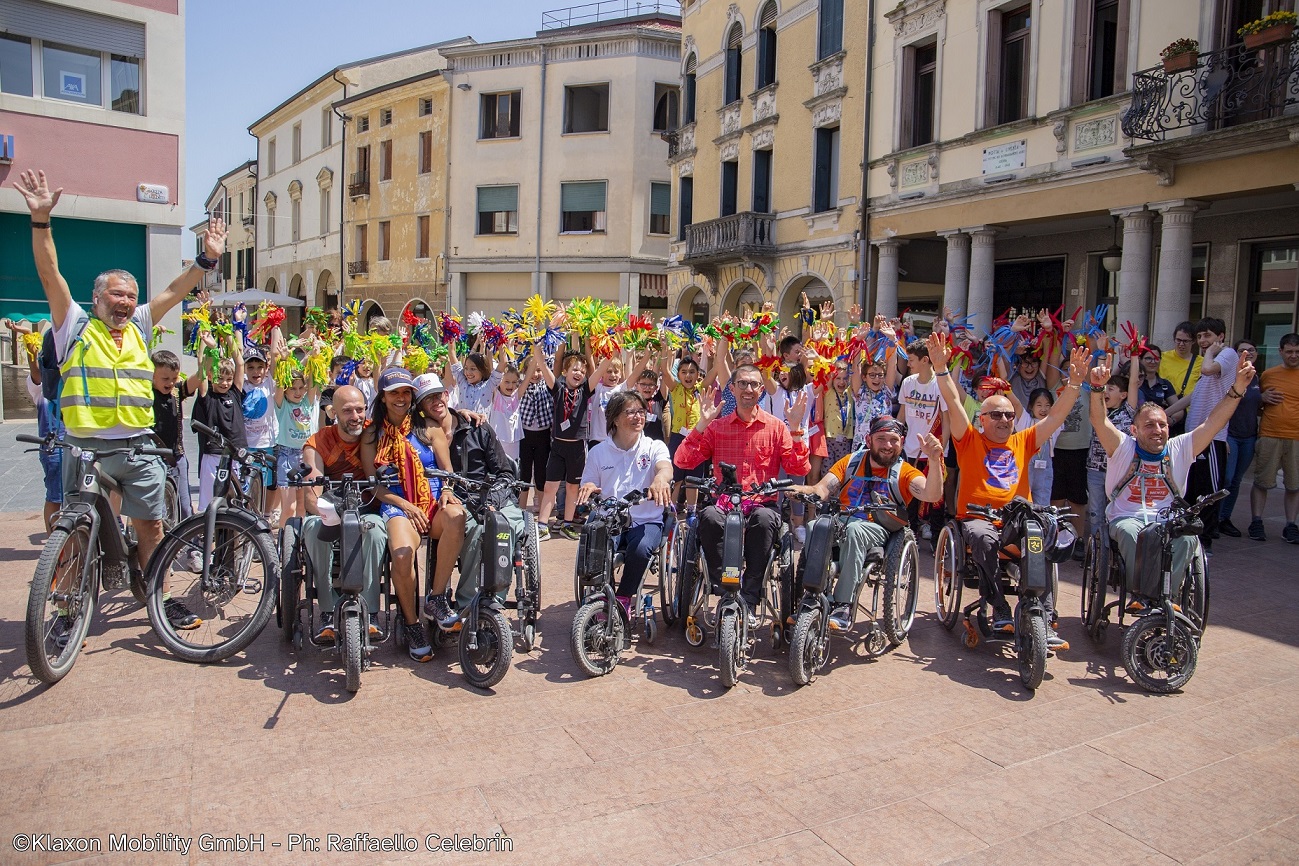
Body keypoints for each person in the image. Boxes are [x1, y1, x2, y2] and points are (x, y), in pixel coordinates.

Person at [13, 169, 224, 631]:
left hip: (137, 446)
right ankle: (67, 610)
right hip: (86, 447)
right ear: (97, 298)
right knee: (75, 530)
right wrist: (41, 221)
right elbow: (49, 274)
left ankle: (159, 598)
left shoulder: (140, 326)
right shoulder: (74, 325)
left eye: (131, 295)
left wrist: (205, 260)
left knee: (152, 526)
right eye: (117, 294)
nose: (126, 301)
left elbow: (175, 291)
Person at [928, 333, 1089, 648]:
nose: (1004, 419)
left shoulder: (1024, 440)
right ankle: (999, 606)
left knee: (1041, 534)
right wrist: (941, 369)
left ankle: (1043, 617)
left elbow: (1056, 416)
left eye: (1009, 415)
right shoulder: (969, 439)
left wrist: (1075, 383)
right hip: (977, 518)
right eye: (996, 415)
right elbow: (954, 403)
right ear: (982, 419)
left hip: (1016, 519)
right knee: (983, 537)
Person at [1088, 352, 1255, 609]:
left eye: (1162, 425)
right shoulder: (1121, 447)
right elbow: (1099, 420)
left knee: (1188, 539)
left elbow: (1214, 422)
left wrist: (1238, 388)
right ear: (1134, 430)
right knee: (1132, 534)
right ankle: (1142, 596)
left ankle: (1166, 596)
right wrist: (1098, 388)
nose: (1158, 430)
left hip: (1168, 519)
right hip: (1126, 518)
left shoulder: (1181, 447)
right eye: (1149, 426)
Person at [672, 364, 810, 623]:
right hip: (724, 502)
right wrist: (701, 424)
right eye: (743, 383)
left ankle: (749, 596)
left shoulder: (776, 427)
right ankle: (725, 589)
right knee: (708, 517)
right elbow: (682, 461)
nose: (748, 389)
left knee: (765, 521)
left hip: (761, 503)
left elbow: (799, 468)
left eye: (754, 384)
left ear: (761, 389)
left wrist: (795, 430)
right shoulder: (717, 427)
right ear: (732, 388)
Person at [790, 416, 944, 631]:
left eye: (894, 440)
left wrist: (934, 461)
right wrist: (802, 490)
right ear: (868, 440)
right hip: (842, 521)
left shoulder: (904, 472)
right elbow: (822, 489)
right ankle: (813, 597)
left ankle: (843, 605)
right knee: (815, 526)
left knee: (855, 530)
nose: (888, 445)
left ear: (901, 442)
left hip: (878, 527)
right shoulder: (851, 462)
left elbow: (931, 494)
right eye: (881, 439)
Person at [414, 373, 529, 619]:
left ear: (447, 395)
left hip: (493, 496)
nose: (436, 402)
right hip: (456, 503)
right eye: (428, 399)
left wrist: (492, 501)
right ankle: (467, 602)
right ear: (420, 406)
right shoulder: (420, 436)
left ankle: (494, 600)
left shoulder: (477, 427)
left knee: (502, 526)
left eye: (438, 395)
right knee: (474, 528)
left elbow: (504, 471)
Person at [359, 368, 440, 662]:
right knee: (403, 555)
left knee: (464, 523)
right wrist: (407, 506)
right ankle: (412, 624)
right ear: (383, 397)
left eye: (406, 392)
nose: (401, 398)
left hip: (431, 501)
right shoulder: (372, 434)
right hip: (396, 503)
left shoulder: (427, 427)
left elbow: (448, 472)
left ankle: (439, 600)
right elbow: (373, 485)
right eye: (394, 392)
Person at [299, 385, 389, 644]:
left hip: (366, 510)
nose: (356, 416)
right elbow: (311, 496)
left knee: (376, 530)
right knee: (313, 530)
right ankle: (327, 612)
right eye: (348, 411)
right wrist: (330, 514)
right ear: (333, 413)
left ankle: (371, 613)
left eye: (360, 409)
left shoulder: (376, 434)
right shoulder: (317, 442)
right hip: (329, 510)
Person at [575, 391, 674, 616]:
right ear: (615, 419)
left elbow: (665, 467)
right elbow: (589, 480)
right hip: (610, 518)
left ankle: (623, 597)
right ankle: (603, 595)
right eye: (631, 412)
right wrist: (588, 486)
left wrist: (660, 478)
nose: (638, 416)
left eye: (641, 411)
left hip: (646, 518)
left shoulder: (654, 446)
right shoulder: (598, 452)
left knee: (640, 550)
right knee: (597, 546)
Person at [1183, 317, 1238, 553]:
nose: (1202, 340)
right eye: (1199, 336)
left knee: (1207, 493)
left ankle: (1204, 542)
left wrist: (1209, 352)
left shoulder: (1228, 354)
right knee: (1190, 490)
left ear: (1221, 336)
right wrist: (1166, 413)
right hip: (1192, 437)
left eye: (1207, 335)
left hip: (1212, 437)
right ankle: (1188, 538)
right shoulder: (1210, 359)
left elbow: (1208, 369)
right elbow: (1193, 397)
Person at [536, 348, 593, 539]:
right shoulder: (558, 389)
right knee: (550, 487)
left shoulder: (586, 390)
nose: (579, 373)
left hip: (577, 448)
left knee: (572, 488)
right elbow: (544, 367)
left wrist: (610, 349)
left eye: (582, 371)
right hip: (558, 447)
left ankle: (567, 524)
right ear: (564, 372)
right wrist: (537, 349)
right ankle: (542, 525)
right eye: (574, 369)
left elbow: (600, 370)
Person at [1248, 333, 1299, 543]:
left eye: (1297, 352)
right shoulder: (1268, 375)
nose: (1293, 355)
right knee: (1262, 481)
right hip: (1270, 434)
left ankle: (1291, 525)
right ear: (1280, 351)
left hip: (1296, 438)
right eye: (1289, 351)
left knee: (1294, 485)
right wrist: (1262, 397)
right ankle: (1256, 521)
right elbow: (1254, 403)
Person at [152, 345, 209, 527]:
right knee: (159, 511)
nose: (170, 383)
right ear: (152, 376)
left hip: (177, 457)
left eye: (174, 378)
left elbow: (199, 376)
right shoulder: (146, 394)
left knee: (185, 508)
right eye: (165, 378)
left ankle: (190, 541)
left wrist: (209, 351)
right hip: (154, 458)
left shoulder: (176, 392)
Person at [896, 339, 947, 541]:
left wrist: (942, 449)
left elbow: (946, 419)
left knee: (936, 499)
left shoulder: (939, 385)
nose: (908, 364)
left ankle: (936, 541)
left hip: (932, 452)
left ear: (925, 360)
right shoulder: (908, 383)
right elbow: (902, 415)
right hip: (910, 450)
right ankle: (910, 538)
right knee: (910, 496)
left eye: (911, 360)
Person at [1220, 339, 1262, 537]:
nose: (1248, 353)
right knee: (1226, 478)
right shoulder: (1230, 377)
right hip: (1231, 435)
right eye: (1242, 350)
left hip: (1249, 436)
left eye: (1251, 350)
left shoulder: (1257, 378)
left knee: (1236, 480)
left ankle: (1225, 519)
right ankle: (1214, 518)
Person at [241, 344, 281, 526]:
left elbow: (275, 355)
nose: (255, 371)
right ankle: (249, 515)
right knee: (248, 482)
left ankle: (266, 515)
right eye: (250, 367)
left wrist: (275, 327)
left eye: (259, 367)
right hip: (247, 444)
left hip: (268, 443)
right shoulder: (242, 385)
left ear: (266, 368)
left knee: (270, 483)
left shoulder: (269, 383)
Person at [516, 346, 554, 512]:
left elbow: (552, 363)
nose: (536, 374)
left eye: (539, 370)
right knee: (524, 473)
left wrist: (541, 356)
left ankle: (541, 507)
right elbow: (521, 389)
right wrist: (532, 363)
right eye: (533, 370)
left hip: (543, 435)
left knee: (541, 474)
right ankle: (521, 509)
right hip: (525, 435)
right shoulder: (521, 385)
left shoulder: (546, 385)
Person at [1161, 321, 1203, 434]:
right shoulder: (1162, 358)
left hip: (1189, 414)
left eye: (1185, 341)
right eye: (1178, 340)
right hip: (1165, 408)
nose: (1181, 344)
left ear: (1193, 341)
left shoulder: (1201, 362)